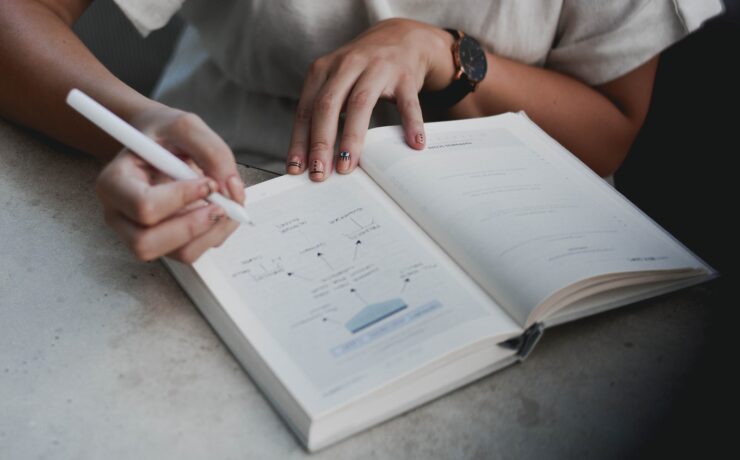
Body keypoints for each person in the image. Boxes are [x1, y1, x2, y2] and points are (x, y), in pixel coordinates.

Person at [0, 0, 722, 263]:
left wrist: (452, 58)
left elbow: (611, 131)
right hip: (227, 180)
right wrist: (139, 125)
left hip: (514, 221)